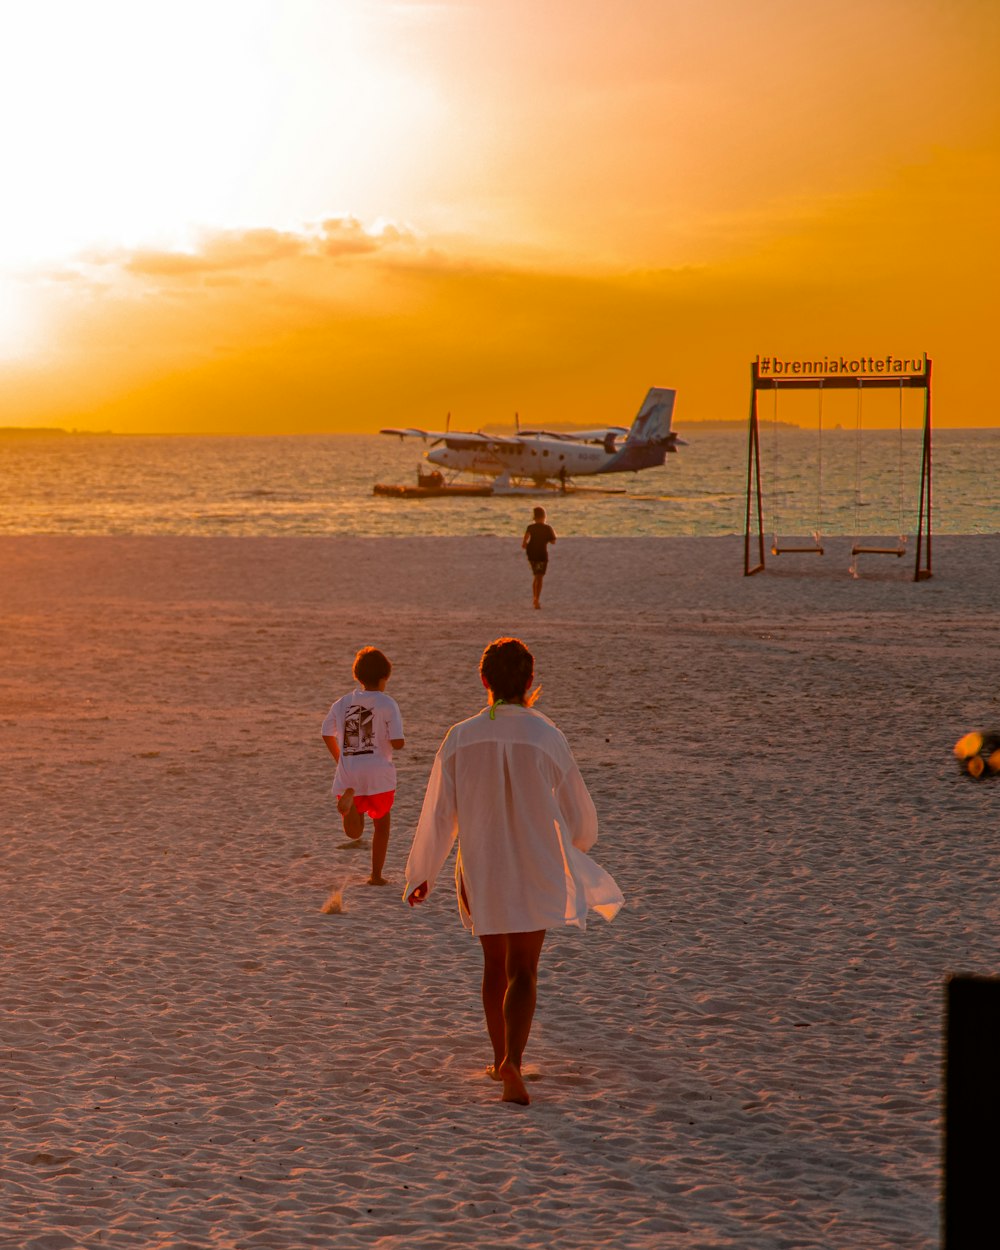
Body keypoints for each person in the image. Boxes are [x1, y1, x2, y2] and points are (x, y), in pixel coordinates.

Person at [403, 637, 624, 1106]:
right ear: (529, 683)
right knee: (525, 970)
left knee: (494, 967)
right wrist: (573, 848)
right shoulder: (546, 734)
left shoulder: (460, 736)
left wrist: (422, 872)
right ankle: (514, 1065)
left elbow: (439, 815)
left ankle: (498, 1055)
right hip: (535, 859)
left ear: (484, 681)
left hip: (482, 862)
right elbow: (582, 820)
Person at [322, 646, 404, 886]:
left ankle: (350, 803)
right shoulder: (388, 703)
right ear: (383, 679)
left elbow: (326, 732)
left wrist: (341, 760)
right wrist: (395, 739)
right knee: (382, 824)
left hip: (349, 773)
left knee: (354, 832)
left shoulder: (343, 702)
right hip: (378, 773)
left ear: (357, 676)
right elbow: (397, 743)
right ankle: (376, 875)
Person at [521, 506, 556, 609]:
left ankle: (535, 598)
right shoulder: (548, 528)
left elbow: (524, 544)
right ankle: (536, 599)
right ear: (544, 516)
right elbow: (553, 541)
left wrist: (530, 547)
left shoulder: (530, 527)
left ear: (534, 517)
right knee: (539, 577)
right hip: (541, 555)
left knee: (536, 576)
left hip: (531, 554)